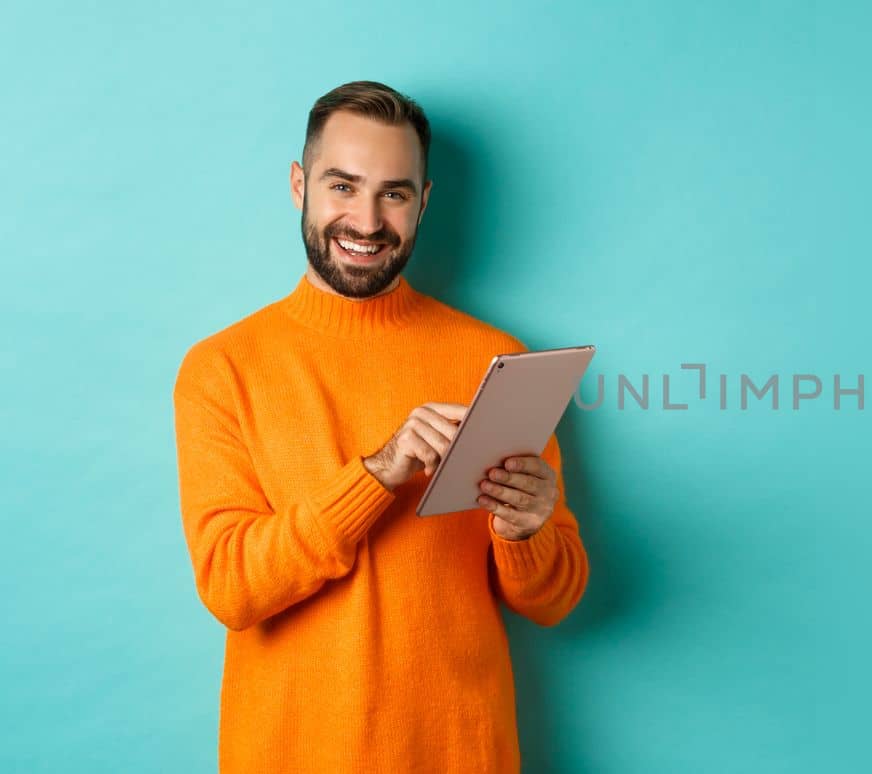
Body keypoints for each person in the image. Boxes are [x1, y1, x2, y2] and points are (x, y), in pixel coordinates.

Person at [171, 80, 589, 773]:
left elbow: (557, 599)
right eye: (343, 186)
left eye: (393, 193)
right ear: (300, 185)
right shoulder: (223, 368)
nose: (366, 222)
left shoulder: (498, 362)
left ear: (423, 203)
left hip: (463, 754)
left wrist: (527, 531)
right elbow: (231, 588)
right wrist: (378, 473)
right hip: (291, 755)